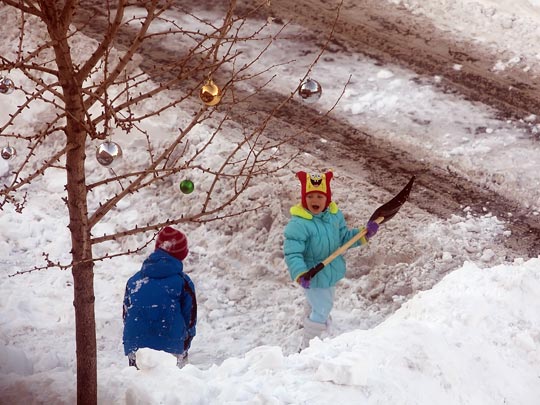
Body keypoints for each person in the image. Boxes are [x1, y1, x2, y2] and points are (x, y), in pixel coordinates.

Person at [283, 170, 379, 349]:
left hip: (329, 270)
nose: (315, 200)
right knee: (322, 308)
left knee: (316, 302)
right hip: (313, 273)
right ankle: (307, 347)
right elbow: (292, 253)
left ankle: (309, 322)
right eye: (310, 196)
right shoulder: (299, 224)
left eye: (320, 196)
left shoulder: (334, 217)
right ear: (304, 198)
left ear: (327, 198)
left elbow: (344, 239)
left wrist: (364, 234)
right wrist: (300, 273)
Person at [122, 226, 197, 369]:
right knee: (172, 387)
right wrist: (184, 345)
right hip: (171, 345)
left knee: (139, 384)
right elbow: (190, 319)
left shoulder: (134, 281)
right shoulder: (183, 282)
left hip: (136, 345)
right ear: (181, 255)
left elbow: (126, 314)